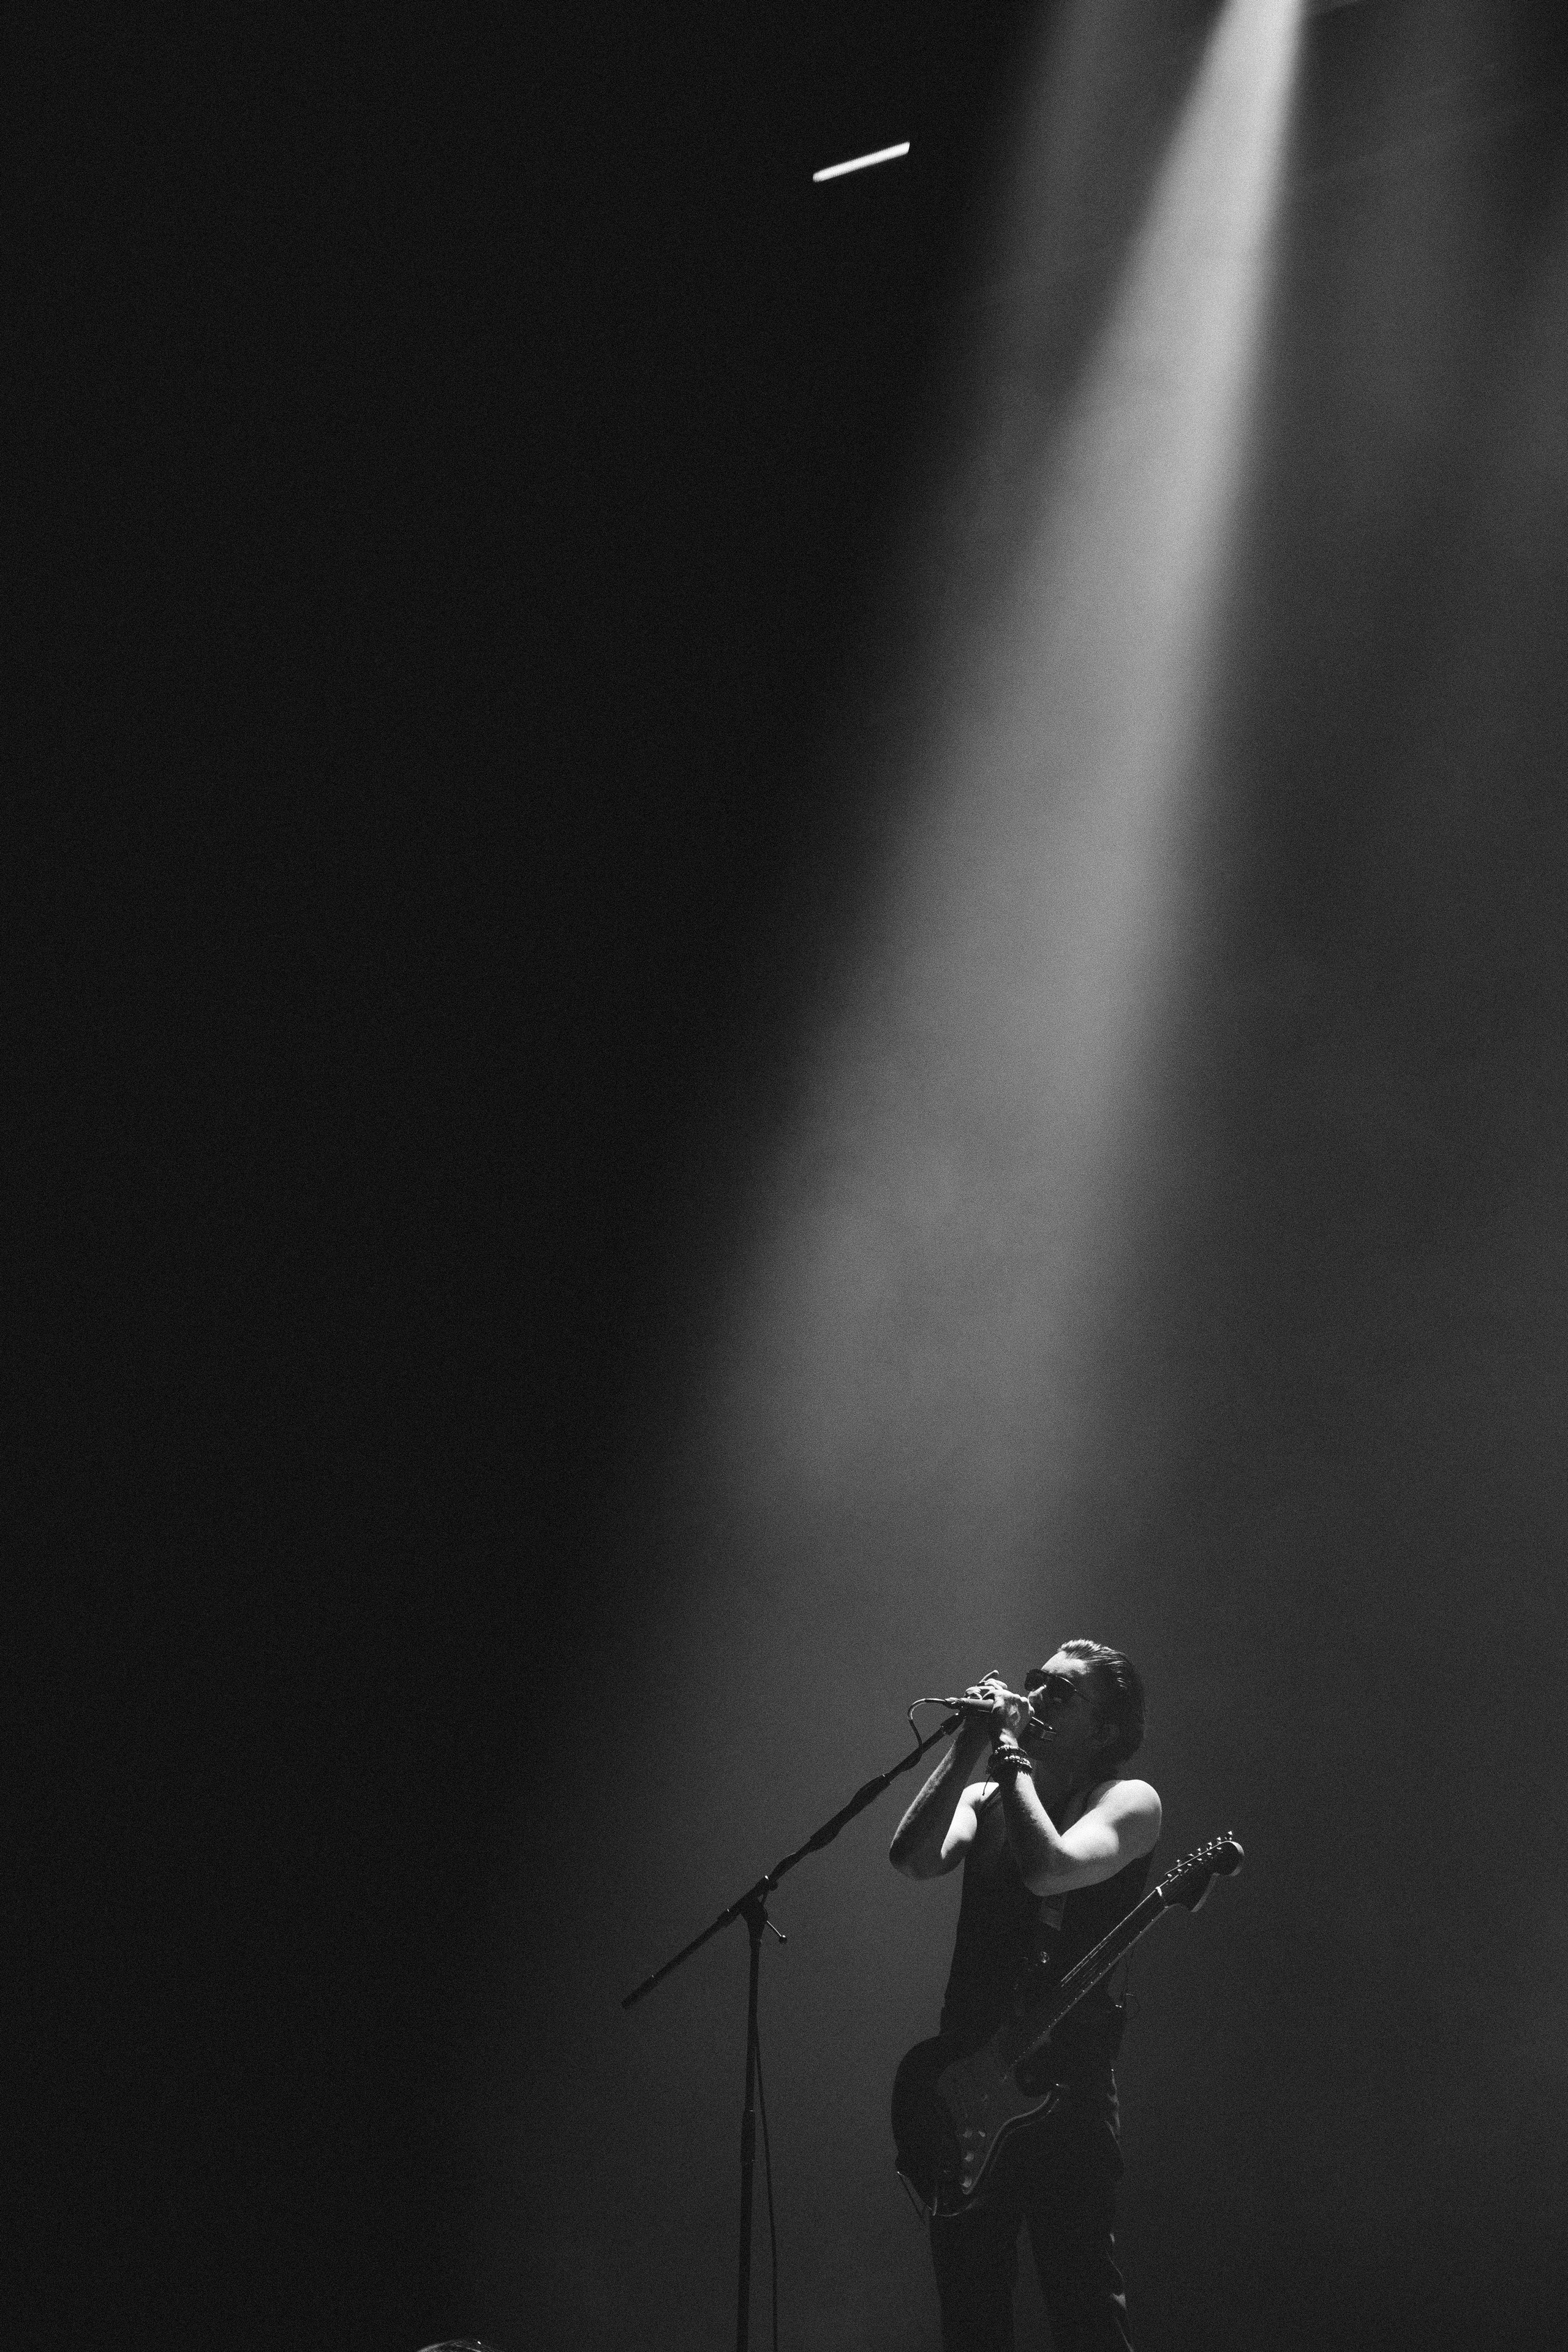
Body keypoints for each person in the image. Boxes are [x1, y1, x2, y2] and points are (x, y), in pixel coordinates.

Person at [888, 1640, 1161, 2352]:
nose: (1036, 1694)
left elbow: (1050, 1870)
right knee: (971, 2319)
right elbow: (911, 1859)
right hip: (967, 2087)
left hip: (1066, 2093)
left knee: (1084, 2310)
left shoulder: (1128, 1802)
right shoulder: (985, 1797)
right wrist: (968, 1748)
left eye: (1061, 1691)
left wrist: (1007, 1746)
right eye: (1037, 1680)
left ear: (1104, 1731)